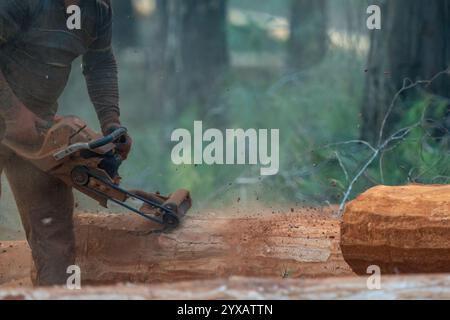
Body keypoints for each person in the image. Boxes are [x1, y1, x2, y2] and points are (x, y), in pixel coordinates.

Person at [0, 0, 132, 286]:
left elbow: (100, 63)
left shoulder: (98, 9)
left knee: (55, 240)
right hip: (15, 115)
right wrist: (13, 111)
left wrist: (111, 122)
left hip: (37, 128)